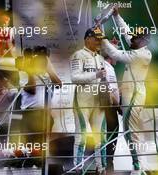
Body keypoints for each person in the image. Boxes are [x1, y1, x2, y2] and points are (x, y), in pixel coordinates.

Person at [101, 7, 152, 175]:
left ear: (143, 40)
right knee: (133, 133)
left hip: (134, 96)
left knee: (130, 133)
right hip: (132, 95)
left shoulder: (141, 55)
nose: (132, 39)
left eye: (136, 38)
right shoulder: (139, 48)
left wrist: (101, 37)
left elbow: (114, 53)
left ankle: (138, 167)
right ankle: (140, 167)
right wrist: (117, 16)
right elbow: (126, 32)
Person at [70, 27, 108, 175]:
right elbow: (75, 78)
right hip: (82, 101)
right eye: (96, 38)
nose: (99, 41)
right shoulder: (78, 55)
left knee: (101, 136)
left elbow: (103, 79)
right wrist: (95, 75)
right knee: (82, 135)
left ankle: (101, 168)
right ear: (87, 39)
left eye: (100, 38)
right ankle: (78, 168)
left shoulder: (100, 58)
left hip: (98, 101)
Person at [19, 46, 61, 169]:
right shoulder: (24, 71)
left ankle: (40, 166)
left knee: (42, 147)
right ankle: (30, 167)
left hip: (44, 114)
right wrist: (30, 70)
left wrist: (49, 69)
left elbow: (59, 84)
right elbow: (32, 89)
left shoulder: (46, 73)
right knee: (30, 146)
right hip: (29, 114)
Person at [101, 46, 121, 173]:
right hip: (108, 108)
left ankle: (109, 164)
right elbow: (106, 88)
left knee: (112, 136)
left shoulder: (110, 68)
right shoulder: (104, 67)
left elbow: (113, 89)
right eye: (116, 53)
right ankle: (107, 165)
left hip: (112, 107)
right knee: (110, 136)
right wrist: (116, 105)